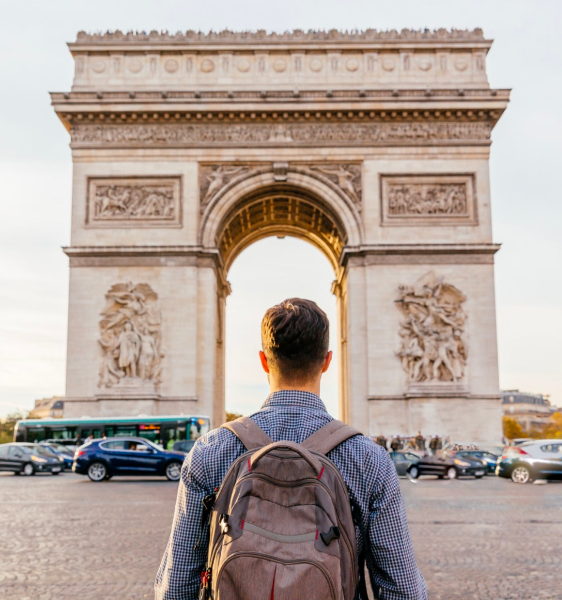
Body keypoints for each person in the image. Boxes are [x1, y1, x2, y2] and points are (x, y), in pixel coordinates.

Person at [155, 298, 427, 600]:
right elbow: (403, 591)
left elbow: (176, 586)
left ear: (263, 360)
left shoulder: (210, 451)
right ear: (327, 361)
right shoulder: (368, 459)